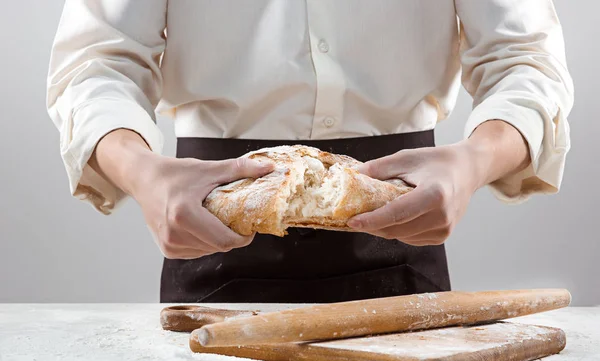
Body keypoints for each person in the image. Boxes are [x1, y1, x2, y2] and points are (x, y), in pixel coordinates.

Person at [47, 1, 573, 303]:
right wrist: (141, 171)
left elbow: (523, 58)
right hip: (212, 223)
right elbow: (98, 63)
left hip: (403, 222)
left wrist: (474, 160)